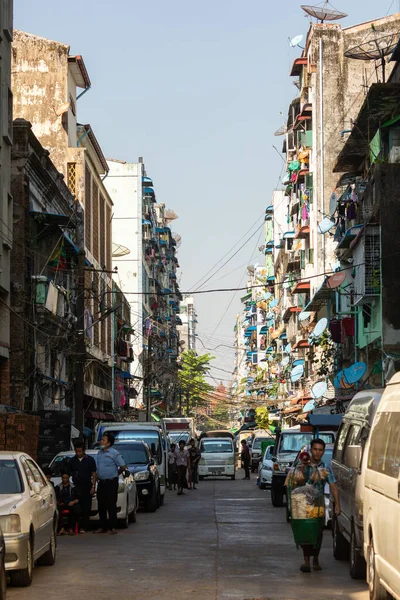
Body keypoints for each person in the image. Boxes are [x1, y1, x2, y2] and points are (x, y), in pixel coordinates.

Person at [288, 438, 341, 573]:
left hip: (318, 504)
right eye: (315, 450)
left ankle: (315, 559)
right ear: (311, 450)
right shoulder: (302, 465)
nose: (317, 453)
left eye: (320, 450)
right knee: (304, 530)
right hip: (302, 504)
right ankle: (306, 562)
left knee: (317, 531)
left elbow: (333, 486)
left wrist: (337, 505)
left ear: (323, 452)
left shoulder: (325, 467)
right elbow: (293, 483)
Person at [94, 433, 127, 534]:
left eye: (103, 440)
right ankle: (103, 526)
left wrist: (116, 474)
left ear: (108, 443)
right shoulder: (99, 453)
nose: (101, 442)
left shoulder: (114, 453)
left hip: (111, 482)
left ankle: (112, 527)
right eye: (101, 440)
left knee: (111, 504)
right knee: (101, 504)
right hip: (101, 482)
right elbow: (96, 468)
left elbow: (123, 467)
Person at [68, 442, 97, 533]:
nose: (78, 453)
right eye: (76, 451)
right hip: (76, 487)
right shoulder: (72, 461)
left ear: (84, 451)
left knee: (86, 508)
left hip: (87, 486)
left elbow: (93, 473)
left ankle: (84, 527)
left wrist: (93, 486)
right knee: (76, 508)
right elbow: (68, 474)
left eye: (80, 451)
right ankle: (74, 526)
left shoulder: (90, 460)